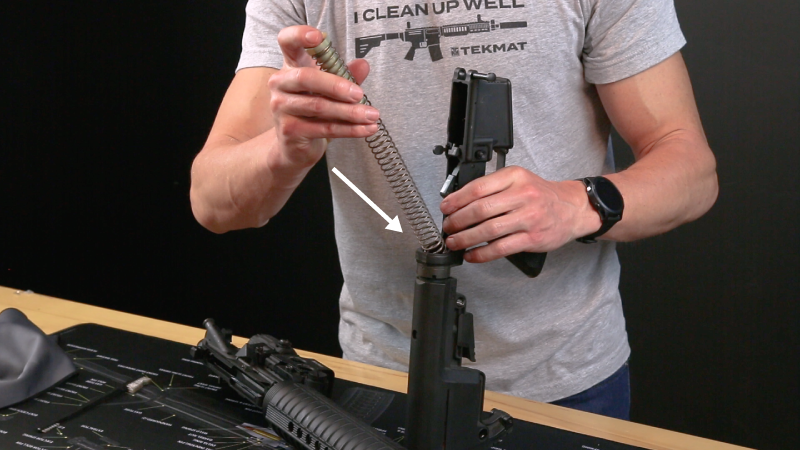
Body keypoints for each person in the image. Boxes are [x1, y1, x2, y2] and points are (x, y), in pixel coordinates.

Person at [190, 0, 718, 420]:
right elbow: (212, 201)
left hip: (565, 385)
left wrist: (578, 203)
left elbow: (692, 171)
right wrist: (283, 150)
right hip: (381, 380)